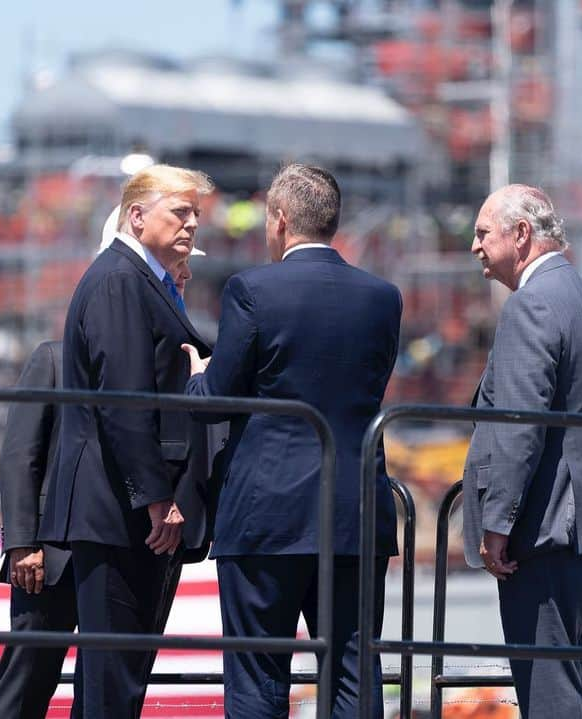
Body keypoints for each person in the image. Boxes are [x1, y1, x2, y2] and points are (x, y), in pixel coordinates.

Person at [182, 164, 402, 719]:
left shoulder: (252, 289)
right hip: (356, 513)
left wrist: (194, 372)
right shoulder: (383, 298)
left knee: (258, 677)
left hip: (267, 514)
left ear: (279, 221)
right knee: (355, 674)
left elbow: (218, 395)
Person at [38, 164, 215, 718]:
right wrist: (158, 499)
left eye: (196, 216)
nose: (191, 226)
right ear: (137, 217)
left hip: (123, 512)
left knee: (111, 683)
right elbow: (124, 400)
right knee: (115, 684)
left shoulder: (140, 281)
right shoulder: (119, 279)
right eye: (179, 213)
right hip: (119, 516)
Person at [461, 184, 582, 718]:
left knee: (546, 688)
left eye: (482, 233)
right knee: (564, 676)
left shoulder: (531, 305)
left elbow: (521, 426)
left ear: (521, 236)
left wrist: (498, 522)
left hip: (537, 532)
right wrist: (578, 468)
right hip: (577, 525)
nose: (474, 247)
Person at [0, 339, 81, 719]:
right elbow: (19, 454)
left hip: (117, 551)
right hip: (48, 555)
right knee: (26, 681)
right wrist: (22, 543)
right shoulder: (53, 359)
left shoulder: (147, 363)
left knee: (104, 685)